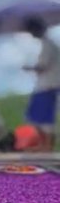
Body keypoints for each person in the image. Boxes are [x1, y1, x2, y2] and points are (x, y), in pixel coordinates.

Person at [23, 17, 60, 151]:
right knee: (37, 117)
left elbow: (42, 66)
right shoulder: (48, 44)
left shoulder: (48, 45)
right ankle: (44, 145)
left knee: (44, 119)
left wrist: (29, 68)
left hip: (47, 86)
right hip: (46, 85)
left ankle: (47, 146)